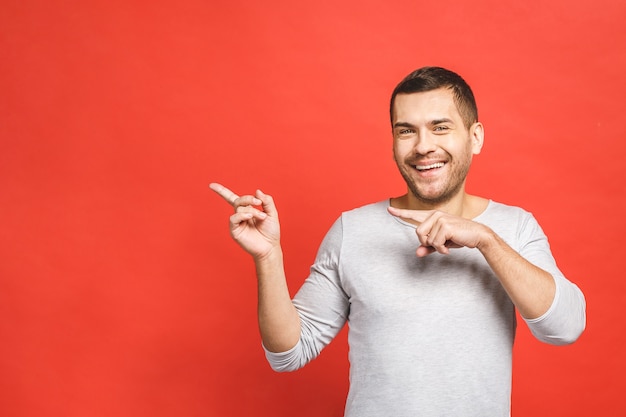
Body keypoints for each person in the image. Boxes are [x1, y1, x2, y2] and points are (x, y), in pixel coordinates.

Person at [210, 66, 586, 416]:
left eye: (440, 127)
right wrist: (269, 256)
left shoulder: (514, 227)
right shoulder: (351, 230)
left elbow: (565, 328)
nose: (423, 146)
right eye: (407, 130)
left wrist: (487, 241)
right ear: (393, 141)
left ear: (475, 138)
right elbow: (288, 354)